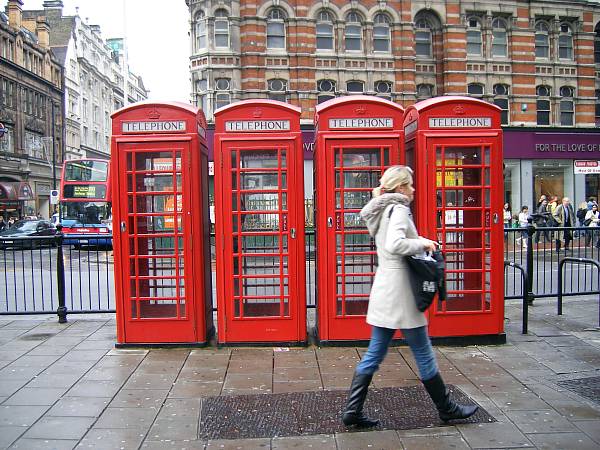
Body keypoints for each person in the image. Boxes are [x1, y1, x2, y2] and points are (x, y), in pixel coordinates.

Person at [341, 165, 478, 428]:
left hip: (384, 288)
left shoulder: (379, 208)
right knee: (423, 353)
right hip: (402, 291)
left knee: (374, 353)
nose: (413, 189)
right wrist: (424, 242)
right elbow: (396, 244)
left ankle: (353, 410)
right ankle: (446, 408)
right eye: (410, 184)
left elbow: (386, 244)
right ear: (401, 187)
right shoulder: (400, 208)